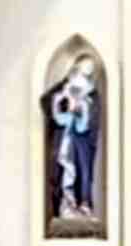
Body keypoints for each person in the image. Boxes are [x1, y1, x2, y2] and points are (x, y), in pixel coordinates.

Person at [41, 54, 100, 220]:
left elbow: (92, 119)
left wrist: (81, 108)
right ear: (75, 68)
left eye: (90, 70)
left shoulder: (92, 93)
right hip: (65, 137)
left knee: (82, 172)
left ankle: (83, 205)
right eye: (83, 67)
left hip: (82, 140)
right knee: (64, 170)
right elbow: (47, 104)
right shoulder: (64, 87)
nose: (87, 71)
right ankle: (64, 205)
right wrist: (65, 100)